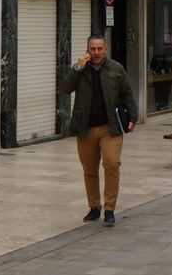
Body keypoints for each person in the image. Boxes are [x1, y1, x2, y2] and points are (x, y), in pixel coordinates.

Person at [58, 34, 138, 227]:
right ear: (87, 50)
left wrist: (133, 117)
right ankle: (94, 207)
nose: (96, 53)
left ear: (105, 49)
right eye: (92, 49)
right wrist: (77, 68)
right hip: (85, 128)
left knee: (112, 164)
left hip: (110, 127)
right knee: (89, 169)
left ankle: (109, 208)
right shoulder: (81, 70)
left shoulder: (116, 69)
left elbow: (127, 93)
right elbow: (65, 88)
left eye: (99, 49)